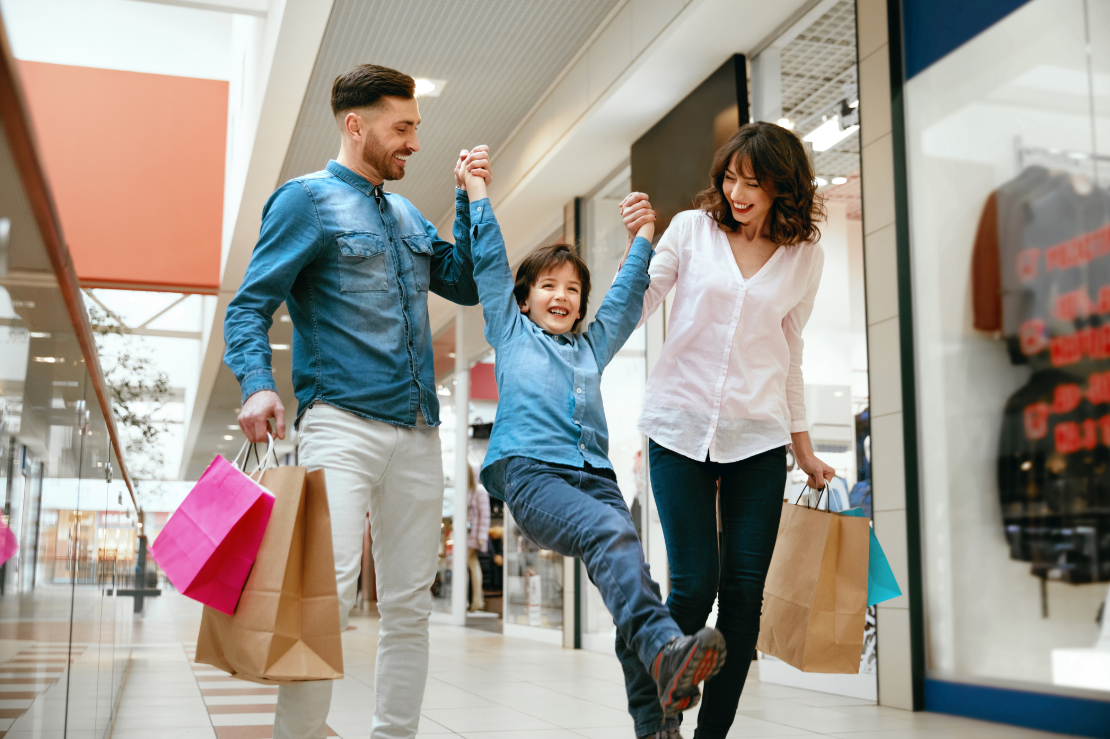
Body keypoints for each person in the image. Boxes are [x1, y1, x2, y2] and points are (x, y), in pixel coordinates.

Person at [223, 64, 490, 739]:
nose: (413, 143)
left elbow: (462, 282)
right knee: (326, 598)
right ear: (355, 125)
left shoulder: (404, 213)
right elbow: (249, 306)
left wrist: (468, 196)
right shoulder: (305, 201)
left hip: (420, 430)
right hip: (340, 422)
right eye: (402, 128)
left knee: (408, 606)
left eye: (415, 129)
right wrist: (257, 380)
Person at [458, 158, 726, 739]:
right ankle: (666, 654)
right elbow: (486, 263)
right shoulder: (509, 330)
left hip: (596, 479)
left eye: (573, 289)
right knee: (612, 536)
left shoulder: (590, 348)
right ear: (524, 298)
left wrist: (644, 237)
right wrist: (477, 190)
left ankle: (656, 725)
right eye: (548, 286)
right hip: (534, 476)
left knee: (639, 587)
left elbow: (628, 299)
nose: (562, 296)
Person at [620, 121, 833, 739]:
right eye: (731, 178)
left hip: (759, 440)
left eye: (754, 183)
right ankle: (656, 719)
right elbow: (637, 305)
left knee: (743, 596)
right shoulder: (691, 231)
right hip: (677, 426)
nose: (737, 193)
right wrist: (638, 244)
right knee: (694, 582)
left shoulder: (805, 258)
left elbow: (790, 355)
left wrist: (805, 447)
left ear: (782, 190)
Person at [466, 467, 490, 612]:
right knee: (471, 564)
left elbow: (485, 514)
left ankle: (477, 599)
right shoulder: (466, 491)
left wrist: (482, 536)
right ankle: (476, 599)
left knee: (471, 564)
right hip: (466, 535)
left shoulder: (479, 491)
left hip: (473, 535)